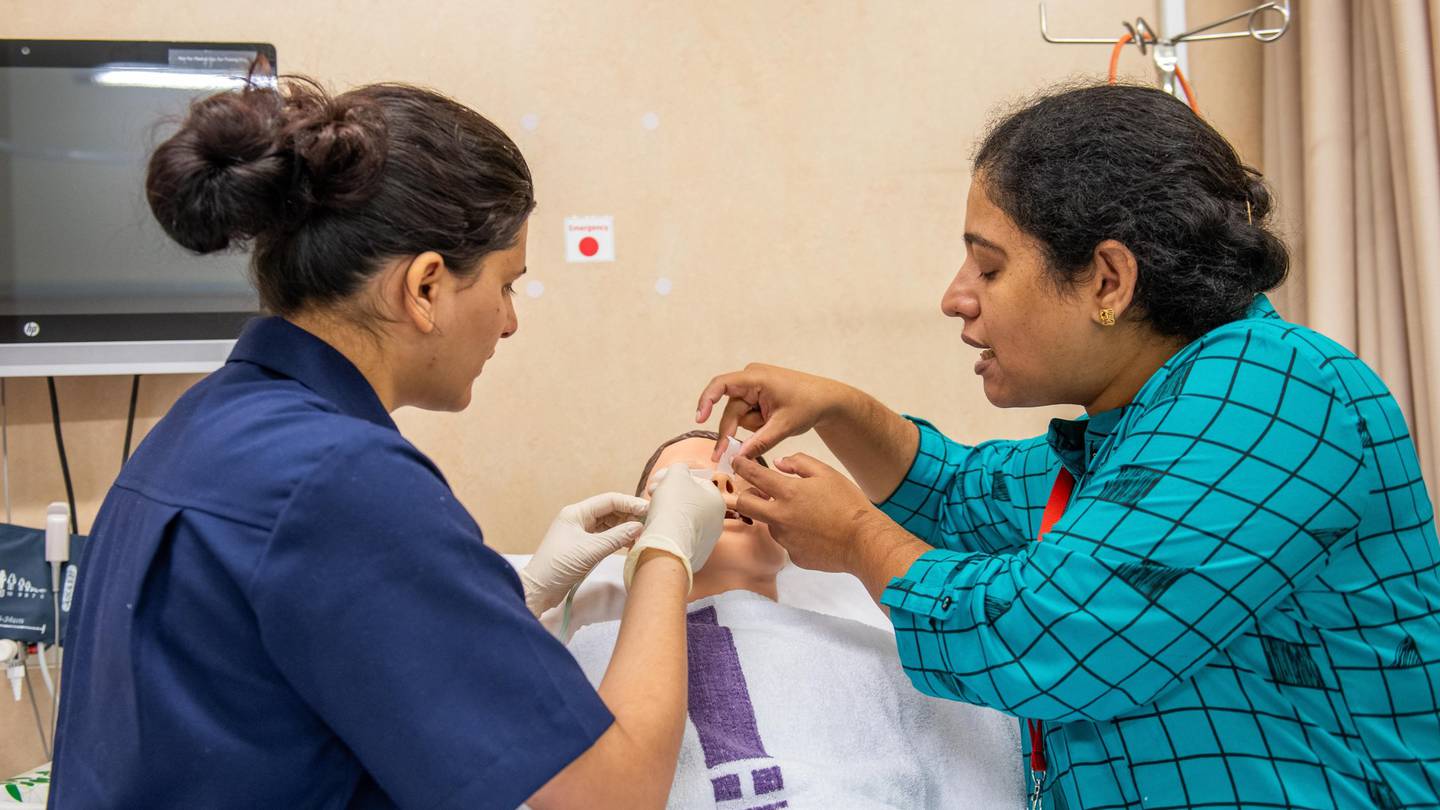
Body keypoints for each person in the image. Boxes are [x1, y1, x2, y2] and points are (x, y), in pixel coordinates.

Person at [695, 84, 1440, 809]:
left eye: (988, 267)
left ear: (1108, 282)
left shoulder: (1275, 388)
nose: (955, 297)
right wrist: (842, 408)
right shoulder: (1141, 431)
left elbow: (1054, 631)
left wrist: (858, 540)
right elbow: (959, 496)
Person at [49, 76, 726, 810]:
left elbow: (289, 672)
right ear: (426, 287)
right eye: (506, 284)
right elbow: (614, 795)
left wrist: (515, 599)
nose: (509, 322)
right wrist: (666, 555)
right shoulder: (344, 479)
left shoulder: (200, 426)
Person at [565, 432, 1024, 809]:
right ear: (634, 535)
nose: (722, 489)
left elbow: (983, 782)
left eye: (745, 479)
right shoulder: (581, 658)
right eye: (681, 485)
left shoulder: (894, 656)